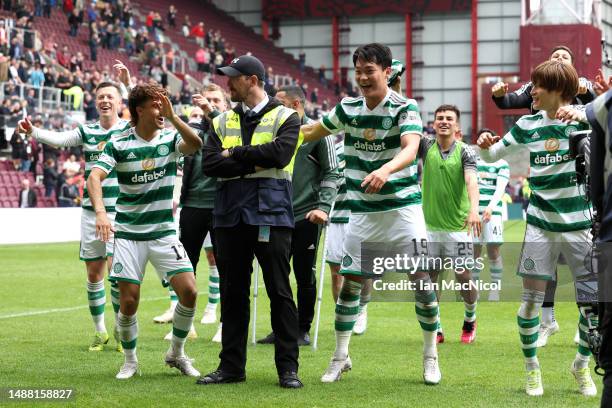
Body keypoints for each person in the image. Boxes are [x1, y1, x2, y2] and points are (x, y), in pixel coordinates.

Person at [300, 43, 441, 385]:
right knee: (351, 287)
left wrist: (386, 170)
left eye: (369, 71)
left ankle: (430, 357)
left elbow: (411, 147)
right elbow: (311, 133)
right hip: (362, 213)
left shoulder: (404, 106)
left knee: (421, 283)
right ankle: (339, 357)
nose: (362, 78)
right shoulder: (348, 108)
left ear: (387, 72)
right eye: (358, 71)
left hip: (403, 210)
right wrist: (277, 133)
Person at [478, 60, 598, 397]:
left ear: (559, 90)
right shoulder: (527, 125)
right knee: (530, 303)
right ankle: (532, 368)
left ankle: (582, 365)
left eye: (537, 85)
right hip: (540, 228)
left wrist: (589, 112)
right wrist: (487, 143)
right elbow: (491, 156)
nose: (531, 91)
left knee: (594, 305)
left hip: (581, 228)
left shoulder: (586, 122)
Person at [200, 55, 303, 388]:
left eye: (233, 78)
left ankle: (288, 369)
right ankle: (231, 367)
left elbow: (280, 155)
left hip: (270, 214)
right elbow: (211, 165)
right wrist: (251, 159)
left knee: (279, 291)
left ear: (253, 80)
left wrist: (235, 155)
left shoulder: (287, 117)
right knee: (232, 293)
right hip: (230, 216)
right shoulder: (220, 122)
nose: (227, 83)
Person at [87, 83, 203, 380]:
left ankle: (176, 354)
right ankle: (130, 360)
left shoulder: (169, 138)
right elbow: (94, 177)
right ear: (139, 110)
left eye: (164, 103)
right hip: (127, 234)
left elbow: (196, 145)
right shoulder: (119, 142)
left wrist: (175, 117)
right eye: (156, 105)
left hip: (164, 232)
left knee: (189, 292)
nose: (161, 109)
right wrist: (101, 213)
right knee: (129, 301)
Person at [16, 61, 132, 352]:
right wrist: (34, 132)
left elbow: (148, 111)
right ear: (96, 102)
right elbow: (59, 140)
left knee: (117, 275)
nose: (105, 100)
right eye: (101, 97)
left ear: (120, 102)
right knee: (94, 273)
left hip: (119, 212)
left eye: (111, 97)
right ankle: (100, 332)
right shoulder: (88, 130)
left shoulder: (129, 130)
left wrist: (128, 84)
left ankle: (120, 329)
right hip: (91, 213)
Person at [256, 85, 339, 347]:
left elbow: (332, 173)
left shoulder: (318, 132)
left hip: (306, 216)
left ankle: (302, 328)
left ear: (296, 105)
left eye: (279, 103)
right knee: (275, 275)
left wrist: (323, 207)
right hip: (274, 215)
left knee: (304, 275)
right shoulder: (270, 131)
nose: (273, 108)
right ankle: (280, 328)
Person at [154, 84, 229, 346]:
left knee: (227, 266)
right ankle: (186, 324)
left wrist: (214, 113)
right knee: (187, 267)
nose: (210, 103)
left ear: (224, 104)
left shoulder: (231, 127)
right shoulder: (192, 131)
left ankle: (224, 324)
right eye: (206, 100)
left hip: (223, 206)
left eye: (216, 99)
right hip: (193, 206)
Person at [417, 104, 481, 345]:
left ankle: (470, 318)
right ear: (433, 124)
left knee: (463, 276)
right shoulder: (425, 146)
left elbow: (471, 180)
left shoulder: (466, 151)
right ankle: (437, 325)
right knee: (430, 278)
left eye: (449, 118)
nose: (444, 121)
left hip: (458, 228)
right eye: (439, 118)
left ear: (457, 126)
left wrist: (474, 209)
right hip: (428, 227)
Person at [491, 45, 595, 113]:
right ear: (548, 62)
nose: (560, 58)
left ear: (572, 66)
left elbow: (597, 107)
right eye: (556, 56)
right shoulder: (533, 86)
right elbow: (508, 102)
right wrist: (499, 96)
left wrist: (585, 93)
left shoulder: (582, 83)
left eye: (565, 57)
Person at [471, 128, 509, 302]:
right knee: (474, 251)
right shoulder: (472, 162)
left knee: (493, 250)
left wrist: (491, 207)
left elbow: (500, 188)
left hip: (492, 213)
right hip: (474, 213)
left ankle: (495, 289)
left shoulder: (501, 163)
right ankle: (475, 290)